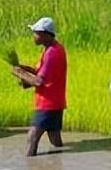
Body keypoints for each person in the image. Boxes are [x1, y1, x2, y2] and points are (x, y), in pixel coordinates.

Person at [9, 17, 67, 156]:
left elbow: (38, 81)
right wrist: (23, 68)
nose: (33, 36)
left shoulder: (51, 53)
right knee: (55, 140)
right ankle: (58, 164)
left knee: (32, 137)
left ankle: (30, 165)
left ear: (45, 34)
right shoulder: (53, 49)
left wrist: (19, 73)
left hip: (47, 104)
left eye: (36, 33)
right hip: (56, 103)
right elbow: (40, 72)